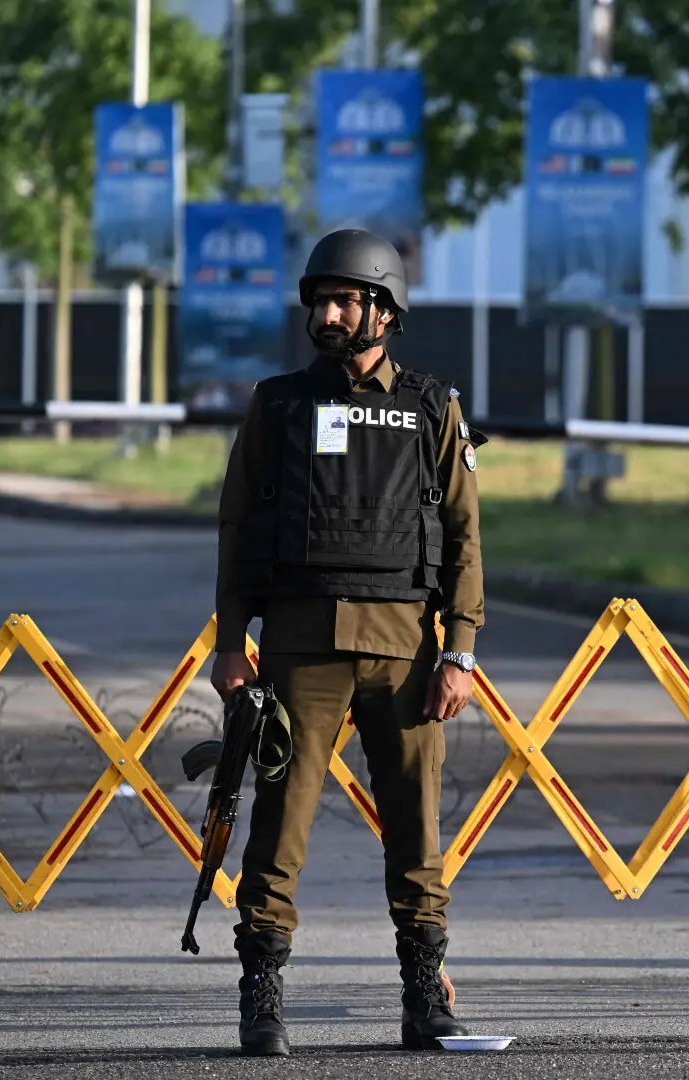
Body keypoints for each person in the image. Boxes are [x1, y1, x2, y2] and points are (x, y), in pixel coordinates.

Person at [208, 228, 486, 1054]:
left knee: (417, 834)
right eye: (318, 302)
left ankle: (424, 995)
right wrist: (231, 642)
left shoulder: (432, 407)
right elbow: (237, 527)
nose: (326, 315)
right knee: (278, 831)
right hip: (301, 648)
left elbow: (464, 535)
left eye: (343, 301)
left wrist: (460, 648)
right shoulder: (279, 405)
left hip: (405, 651)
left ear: (384, 311)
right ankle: (262, 998)